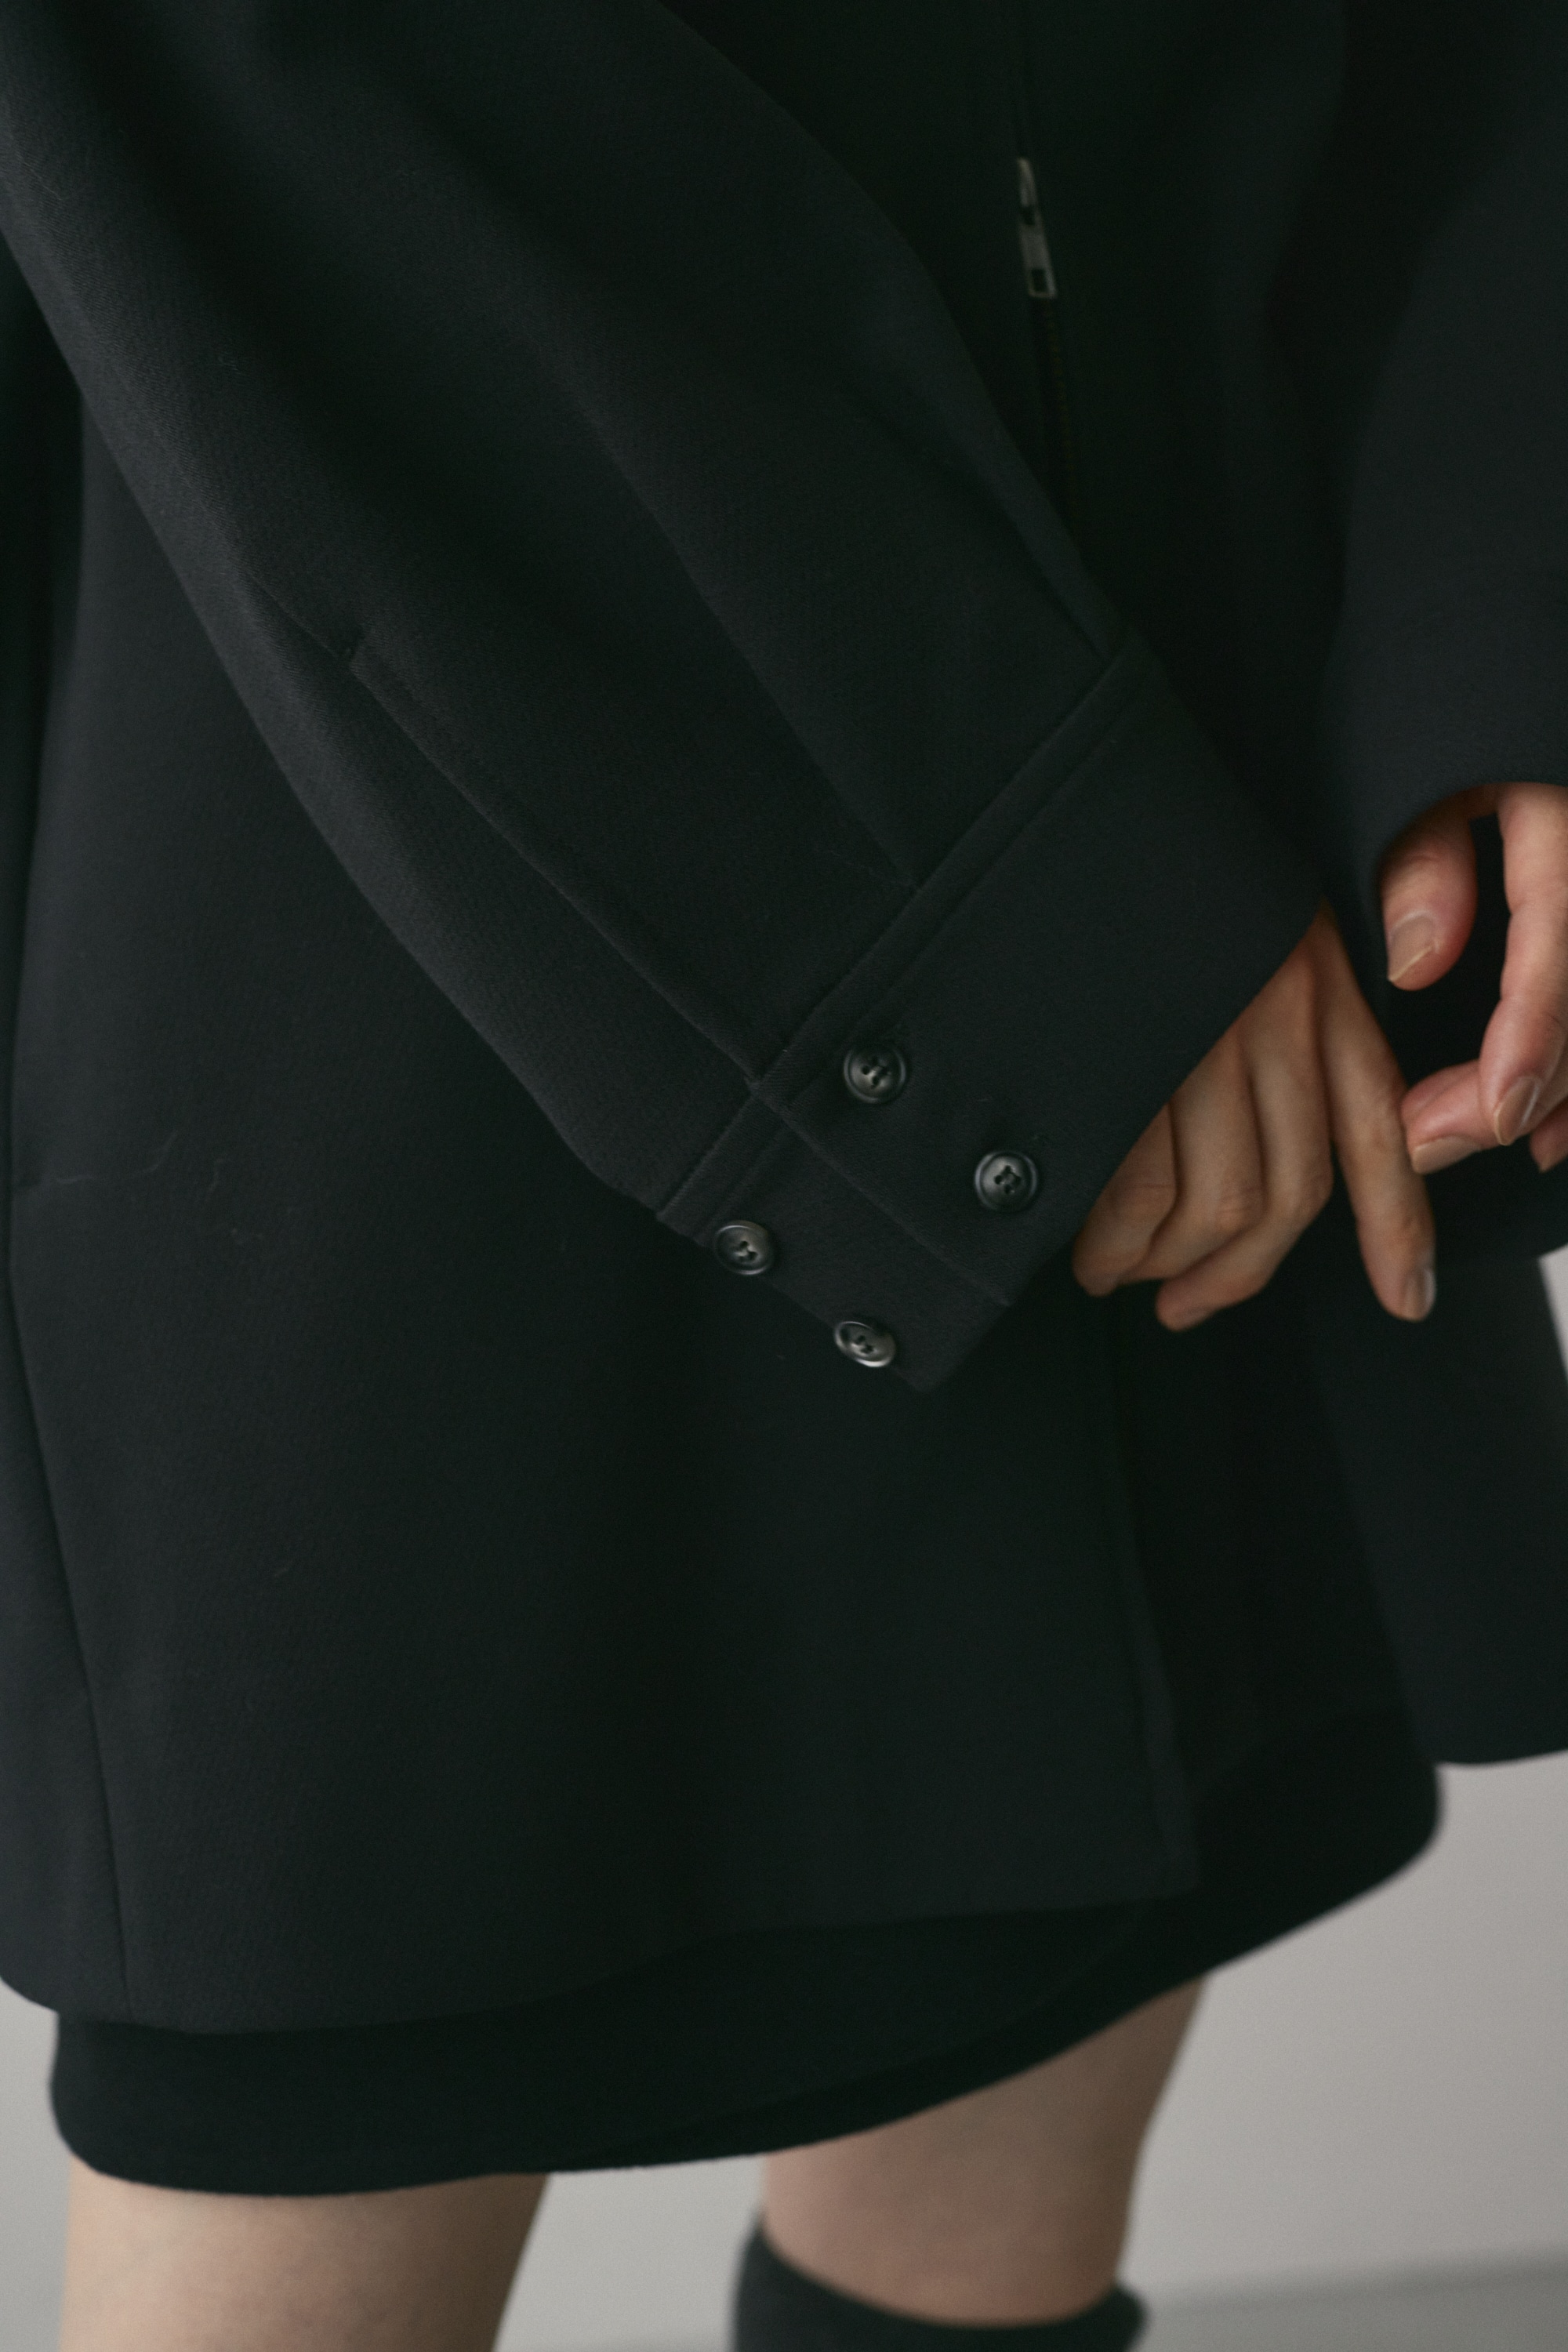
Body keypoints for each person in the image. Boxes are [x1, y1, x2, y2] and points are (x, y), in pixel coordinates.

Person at [2, 3, 1566, 2347]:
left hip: (1218, 652)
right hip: (436, 834)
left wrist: (1498, 605)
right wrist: (1033, 901)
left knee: (1036, 2008)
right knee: (329, 2080)